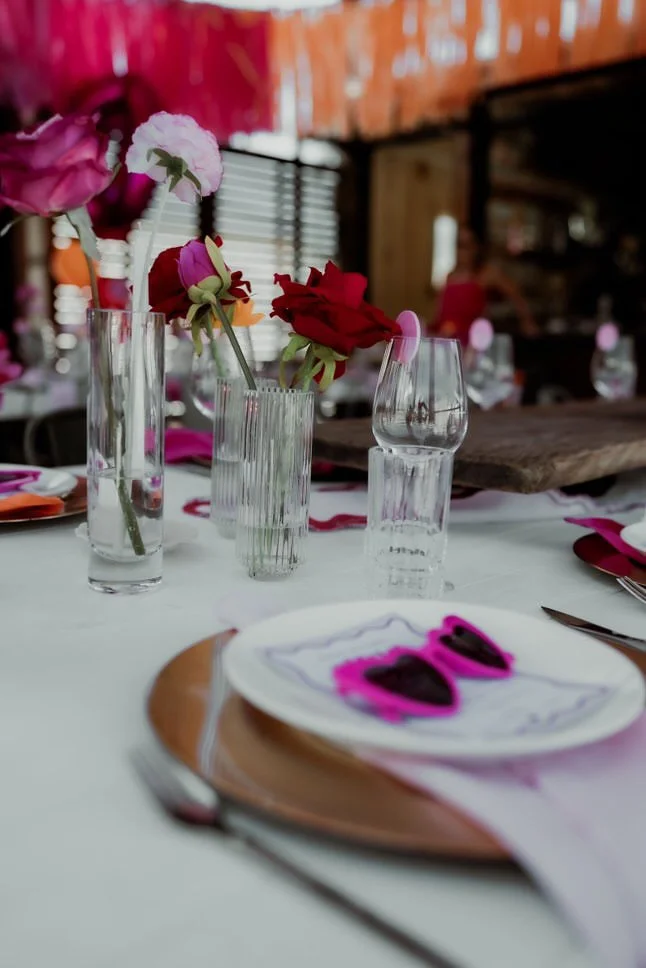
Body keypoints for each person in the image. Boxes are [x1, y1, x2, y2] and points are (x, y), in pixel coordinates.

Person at [434, 226, 538, 344]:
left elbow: (515, 294)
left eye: (466, 246)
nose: (462, 251)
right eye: (459, 245)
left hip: (473, 344)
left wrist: (527, 322)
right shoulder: (450, 277)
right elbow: (441, 313)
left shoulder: (485, 275)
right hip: (448, 341)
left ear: (476, 248)